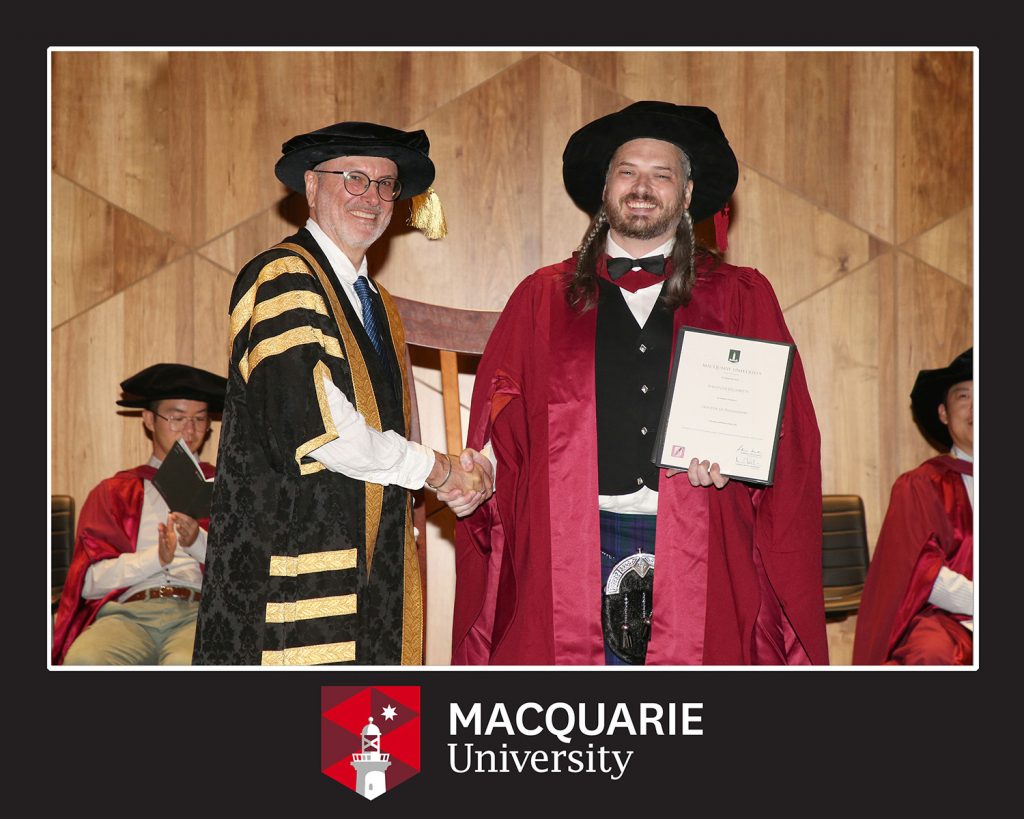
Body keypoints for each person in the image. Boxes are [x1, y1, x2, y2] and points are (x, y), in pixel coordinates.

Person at [451, 101, 827, 665]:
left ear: (688, 193)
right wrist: (482, 469)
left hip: (702, 540)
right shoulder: (541, 298)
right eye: (627, 171)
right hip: (572, 545)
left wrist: (741, 461)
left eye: (662, 174)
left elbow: (787, 435)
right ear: (605, 190)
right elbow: (501, 426)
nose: (642, 186)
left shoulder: (742, 296)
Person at [192, 120, 491, 666]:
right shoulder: (284, 275)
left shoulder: (376, 303)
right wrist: (440, 471)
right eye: (354, 178)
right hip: (293, 574)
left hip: (367, 571)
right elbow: (322, 429)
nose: (372, 197)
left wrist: (459, 470)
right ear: (310, 186)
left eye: (385, 184)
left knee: (369, 746)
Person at [52, 363, 227, 665]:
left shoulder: (227, 490)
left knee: (190, 667)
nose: (190, 429)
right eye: (177, 417)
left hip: (199, 614)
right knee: (86, 661)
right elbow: (88, 582)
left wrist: (197, 541)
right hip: (126, 615)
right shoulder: (113, 492)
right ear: (149, 419)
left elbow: (247, 573)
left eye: (200, 419)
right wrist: (156, 559)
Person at [853, 348, 974, 665]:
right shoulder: (921, 485)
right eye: (964, 396)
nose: (977, 406)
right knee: (930, 652)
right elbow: (922, 571)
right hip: (948, 621)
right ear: (944, 413)